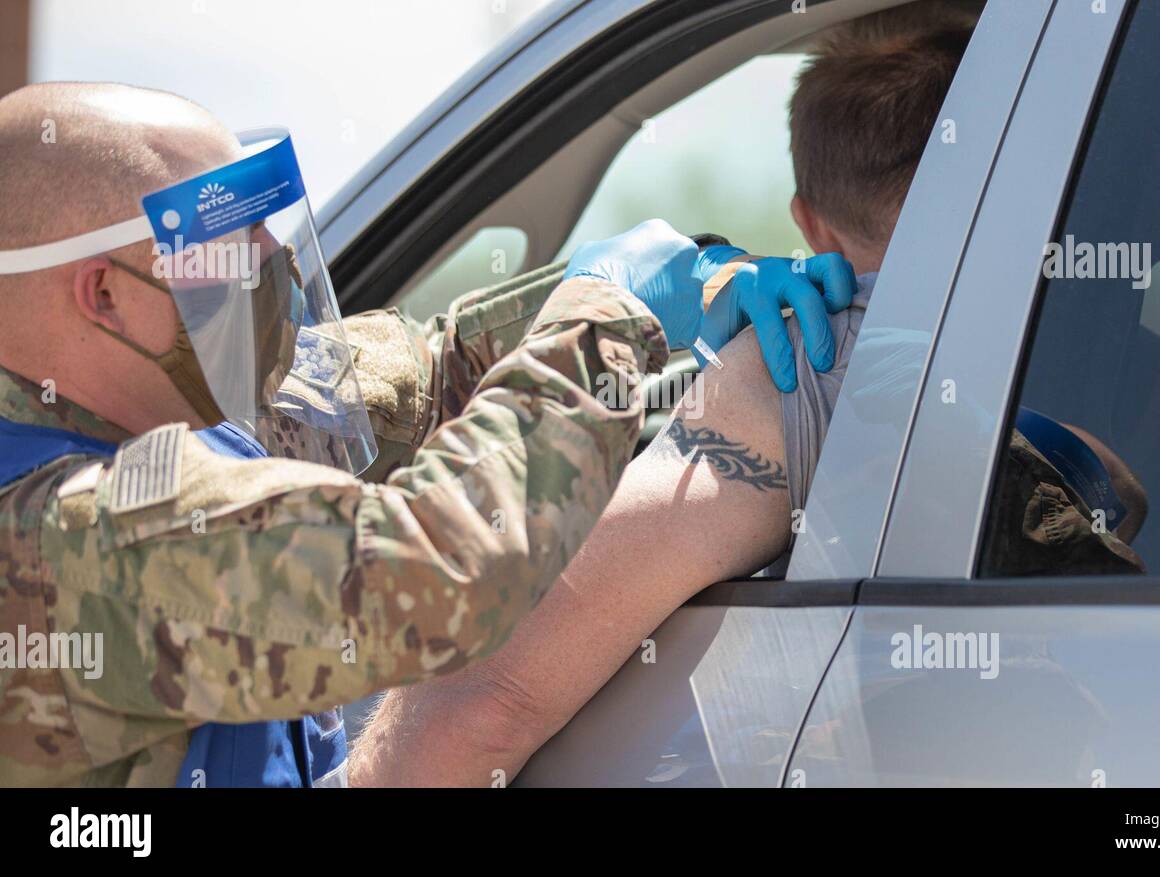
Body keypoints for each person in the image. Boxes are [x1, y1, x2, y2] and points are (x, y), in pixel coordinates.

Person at [347, 0, 1148, 787]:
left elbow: (487, 702)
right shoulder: (1088, 391)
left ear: (810, 225)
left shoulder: (811, 363)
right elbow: (1124, 494)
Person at [0, 82, 850, 787]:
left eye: (266, 222)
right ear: (104, 295)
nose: (271, 261)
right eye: (228, 238)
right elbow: (442, 567)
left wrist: (673, 286)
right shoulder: (67, 535)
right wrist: (604, 321)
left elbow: (425, 374)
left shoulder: (162, 403)